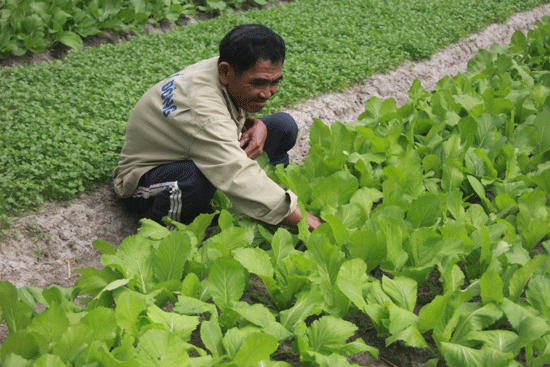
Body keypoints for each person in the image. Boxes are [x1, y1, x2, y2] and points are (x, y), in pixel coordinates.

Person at [112, 24, 322, 231]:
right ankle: (161, 230)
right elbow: (235, 172)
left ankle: (268, 198)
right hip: (149, 178)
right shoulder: (202, 111)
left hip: (192, 148)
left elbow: (217, 114)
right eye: (258, 84)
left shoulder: (221, 67)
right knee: (195, 179)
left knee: (282, 126)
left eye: (274, 82)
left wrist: (253, 122)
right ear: (225, 72)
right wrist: (308, 222)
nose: (266, 93)